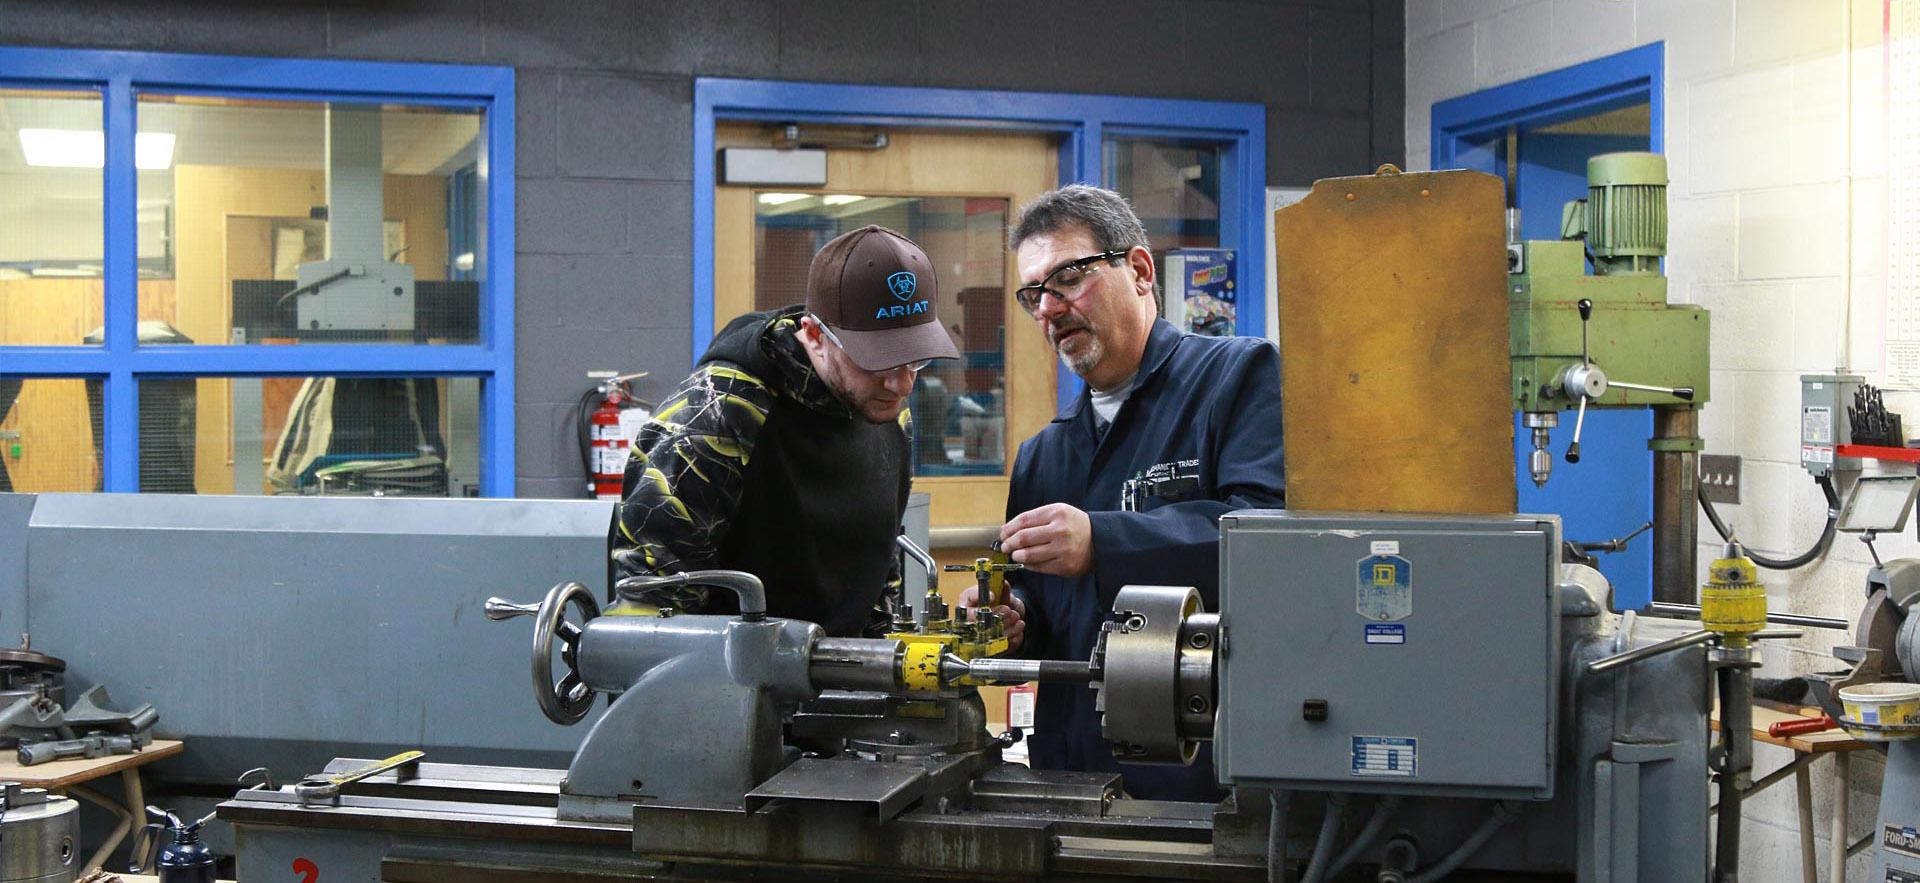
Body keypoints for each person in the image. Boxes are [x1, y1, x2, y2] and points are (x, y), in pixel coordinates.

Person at [969, 185, 1286, 802]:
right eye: (1034, 294)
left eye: (1067, 278)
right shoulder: (1044, 454)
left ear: (1139, 270)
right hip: (1071, 777)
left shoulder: (1235, 378)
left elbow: (1267, 536)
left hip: (1204, 778)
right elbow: (1042, 607)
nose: (1049, 309)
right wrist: (1015, 620)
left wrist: (1103, 540)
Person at [609, 225, 959, 638]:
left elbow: (879, 574)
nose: (901, 384)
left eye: (915, 361)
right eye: (879, 362)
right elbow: (651, 617)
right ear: (814, 335)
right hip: (730, 688)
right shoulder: (716, 417)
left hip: (842, 683)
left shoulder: (888, 412)